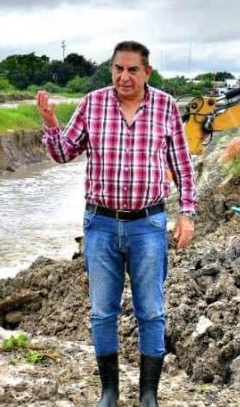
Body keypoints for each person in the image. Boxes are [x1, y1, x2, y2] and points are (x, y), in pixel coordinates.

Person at [36, 40, 196, 407]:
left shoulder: (165, 107)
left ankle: (148, 395)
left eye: (132, 70)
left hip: (149, 224)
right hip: (101, 224)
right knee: (102, 310)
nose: (124, 77)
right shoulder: (93, 103)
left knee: (151, 310)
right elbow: (63, 153)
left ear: (147, 72)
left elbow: (183, 165)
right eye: (118, 69)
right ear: (111, 69)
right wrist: (49, 122)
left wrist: (187, 213)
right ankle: (109, 391)